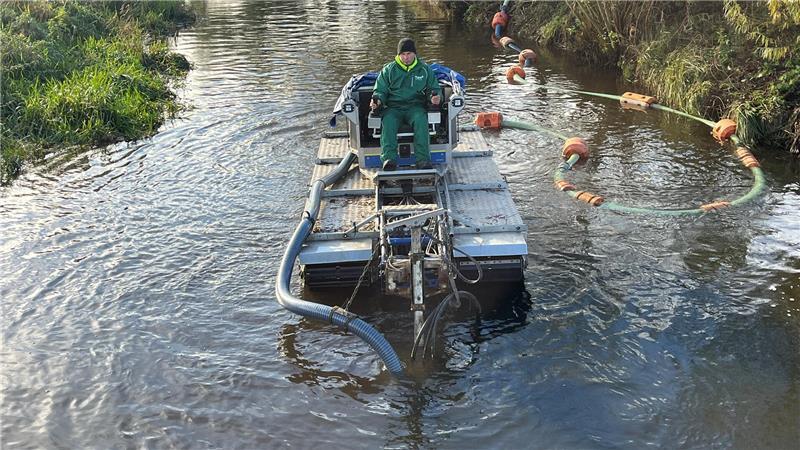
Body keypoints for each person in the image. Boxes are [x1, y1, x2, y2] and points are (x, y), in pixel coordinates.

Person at [370, 38, 442, 171]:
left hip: (415, 107)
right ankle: (389, 159)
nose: (406, 57)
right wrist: (378, 101)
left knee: (421, 120)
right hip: (393, 108)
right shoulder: (388, 70)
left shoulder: (424, 69)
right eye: (403, 54)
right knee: (388, 121)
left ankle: (423, 160)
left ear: (414, 54)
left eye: (409, 53)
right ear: (398, 55)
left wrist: (435, 98)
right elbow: (380, 90)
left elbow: (434, 89)